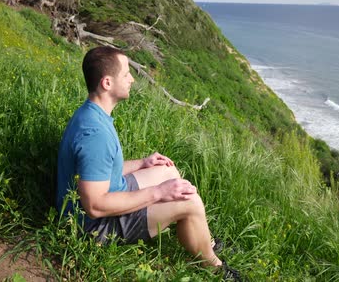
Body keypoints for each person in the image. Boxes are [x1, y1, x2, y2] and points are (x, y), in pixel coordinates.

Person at [57, 46, 241, 279]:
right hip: (93, 228)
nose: (132, 79)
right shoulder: (96, 133)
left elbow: (98, 171)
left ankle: (205, 241)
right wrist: (159, 192)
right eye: (125, 74)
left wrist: (143, 163)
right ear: (107, 83)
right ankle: (214, 267)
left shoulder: (93, 114)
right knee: (191, 202)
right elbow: (95, 206)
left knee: (167, 170)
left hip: (107, 199)